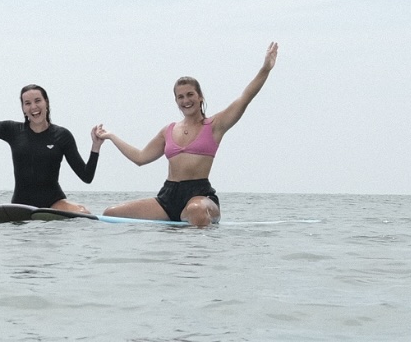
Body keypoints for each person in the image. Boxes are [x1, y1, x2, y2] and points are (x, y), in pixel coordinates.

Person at [94, 42, 279, 227]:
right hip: (168, 197)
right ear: (176, 101)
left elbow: (245, 98)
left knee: (196, 210)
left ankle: (199, 239)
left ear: (200, 97)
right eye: (180, 97)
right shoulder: (168, 131)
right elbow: (140, 158)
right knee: (111, 213)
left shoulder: (215, 125)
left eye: (190, 94)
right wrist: (111, 136)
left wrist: (265, 69)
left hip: (200, 196)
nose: (186, 100)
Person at [0, 67, 100, 214]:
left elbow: (86, 177)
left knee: (83, 212)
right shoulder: (12, 130)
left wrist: (95, 147)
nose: (33, 107)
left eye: (37, 101)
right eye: (27, 103)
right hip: (21, 205)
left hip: (53, 203)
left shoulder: (62, 135)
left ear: (46, 102)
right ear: (23, 108)